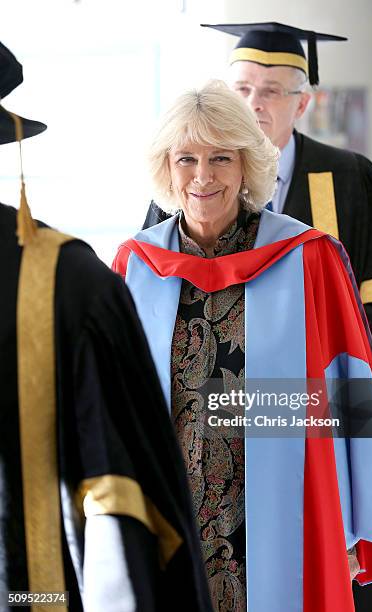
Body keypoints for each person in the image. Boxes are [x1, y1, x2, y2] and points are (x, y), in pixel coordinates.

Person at [142, 22, 372, 612]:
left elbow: (367, 329)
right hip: (191, 482)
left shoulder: (337, 203)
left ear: (302, 102)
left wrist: (255, 398)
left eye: (273, 90)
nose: (255, 103)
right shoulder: (155, 235)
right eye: (244, 88)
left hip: (311, 440)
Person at [0, 41, 212, 612]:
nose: (202, 176)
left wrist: (239, 410)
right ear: (161, 169)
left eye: (222, 157)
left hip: (269, 492)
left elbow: (348, 396)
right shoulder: (132, 262)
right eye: (185, 159)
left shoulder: (309, 256)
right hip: (172, 481)